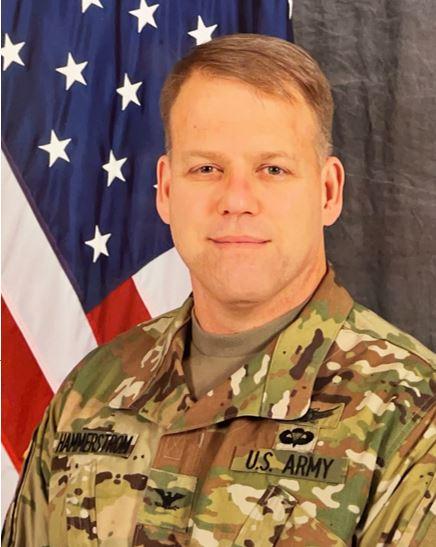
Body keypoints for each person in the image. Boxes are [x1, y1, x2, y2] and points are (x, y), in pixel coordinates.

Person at [3, 33, 435, 547]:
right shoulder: (91, 392)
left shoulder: (411, 416)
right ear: (166, 190)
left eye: (272, 169)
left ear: (327, 192)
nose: (236, 199)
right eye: (206, 168)